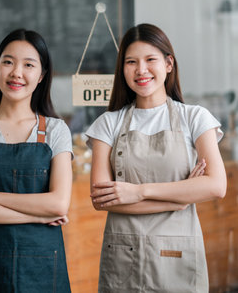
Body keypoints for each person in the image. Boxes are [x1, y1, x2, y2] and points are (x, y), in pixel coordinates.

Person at [87, 23, 227, 293]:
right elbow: (102, 200)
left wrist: (137, 192)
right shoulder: (108, 124)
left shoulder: (195, 118)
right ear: (122, 69)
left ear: (168, 63)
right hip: (122, 259)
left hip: (178, 256)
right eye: (131, 62)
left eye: (150, 59)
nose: (141, 70)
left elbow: (216, 186)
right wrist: (180, 198)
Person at [0, 28, 73, 292]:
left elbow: (59, 202)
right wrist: (38, 217)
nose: (16, 72)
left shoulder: (56, 130)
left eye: (28, 65)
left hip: (43, 269)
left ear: (41, 76)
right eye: (8, 62)